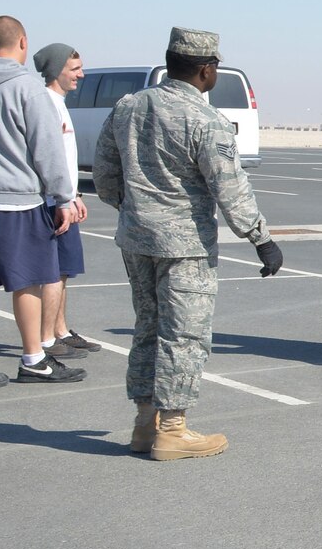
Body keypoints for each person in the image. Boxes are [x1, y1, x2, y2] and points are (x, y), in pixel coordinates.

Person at [93, 28, 285, 460]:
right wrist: (262, 239)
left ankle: (145, 425)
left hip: (136, 239)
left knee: (147, 328)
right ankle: (173, 430)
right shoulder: (205, 119)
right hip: (185, 248)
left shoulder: (128, 106)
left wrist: (134, 208)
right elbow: (230, 188)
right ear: (206, 69)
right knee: (184, 336)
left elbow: (104, 174)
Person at [0, 15, 85, 391]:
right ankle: (34, 359)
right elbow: (47, 148)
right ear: (22, 42)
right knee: (27, 282)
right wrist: (63, 196)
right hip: (15, 200)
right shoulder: (27, 86)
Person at [31, 42, 97, 362]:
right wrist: (62, 199)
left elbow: (66, 161)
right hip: (52, 203)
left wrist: (76, 194)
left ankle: (61, 331)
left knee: (64, 270)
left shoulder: (59, 103)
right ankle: (45, 340)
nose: (81, 75)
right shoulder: (46, 103)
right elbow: (47, 159)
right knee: (53, 272)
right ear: (57, 70)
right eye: (74, 69)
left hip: (64, 199)